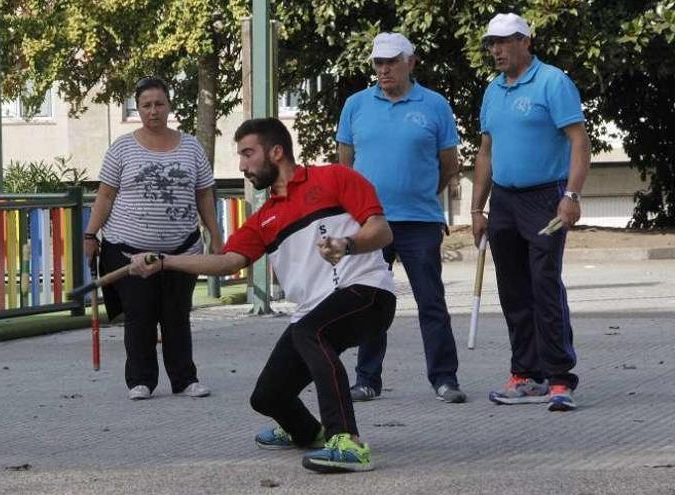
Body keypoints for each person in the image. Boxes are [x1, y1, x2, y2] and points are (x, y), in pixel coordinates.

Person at [129, 118, 397, 473]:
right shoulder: (265, 217)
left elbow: (382, 231)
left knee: (309, 332)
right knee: (267, 396)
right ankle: (309, 432)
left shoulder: (334, 177)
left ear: (276, 151)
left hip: (367, 290)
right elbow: (226, 262)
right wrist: (164, 261)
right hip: (314, 310)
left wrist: (347, 244)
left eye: (248, 153)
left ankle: (347, 441)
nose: (242, 165)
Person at [336, 32, 466, 403]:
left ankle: (445, 378)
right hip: (369, 222)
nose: (384, 69)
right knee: (370, 302)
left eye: (391, 61)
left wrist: (419, 192)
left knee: (431, 302)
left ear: (410, 61)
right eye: (379, 63)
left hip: (419, 222)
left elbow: (449, 165)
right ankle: (366, 379)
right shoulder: (355, 105)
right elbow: (345, 166)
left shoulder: (435, 105)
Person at [471, 13, 590, 412]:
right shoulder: (492, 91)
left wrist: (571, 195)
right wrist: (476, 207)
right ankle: (525, 374)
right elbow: (485, 152)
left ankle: (559, 378)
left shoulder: (553, 82)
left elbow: (579, 143)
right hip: (504, 199)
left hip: (545, 197)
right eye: (492, 43)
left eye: (504, 41)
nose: (496, 50)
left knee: (544, 284)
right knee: (513, 290)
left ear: (526, 41)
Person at [83, 77, 223, 400]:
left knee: (176, 314)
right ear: (138, 109)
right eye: (146, 105)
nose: (153, 111)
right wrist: (91, 233)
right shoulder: (121, 147)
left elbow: (204, 195)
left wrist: (215, 236)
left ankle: (185, 378)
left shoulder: (191, 147)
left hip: (182, 248)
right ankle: (140, 381)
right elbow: (105, 196)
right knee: (140, 315)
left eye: (159, 103)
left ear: (169, 106)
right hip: (129, 249)